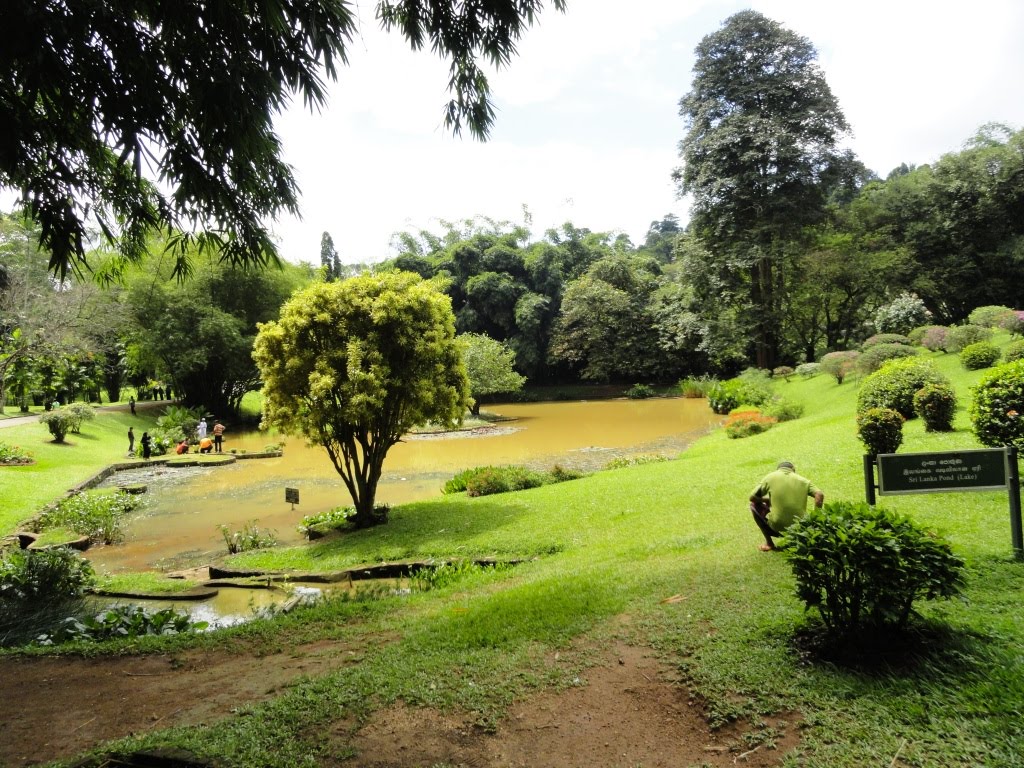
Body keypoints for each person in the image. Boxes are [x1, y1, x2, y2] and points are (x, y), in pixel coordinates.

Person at [749, 460, 824, 552]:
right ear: (793, 470)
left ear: (778, 470)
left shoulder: (770, 477)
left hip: (777, 528)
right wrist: (815, 518)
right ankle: (801, 539)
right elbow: (819, 494)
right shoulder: (803, 480)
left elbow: (752, 497)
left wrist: (766, 500)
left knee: (753, 505)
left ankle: (769, 543)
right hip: (801, 529)